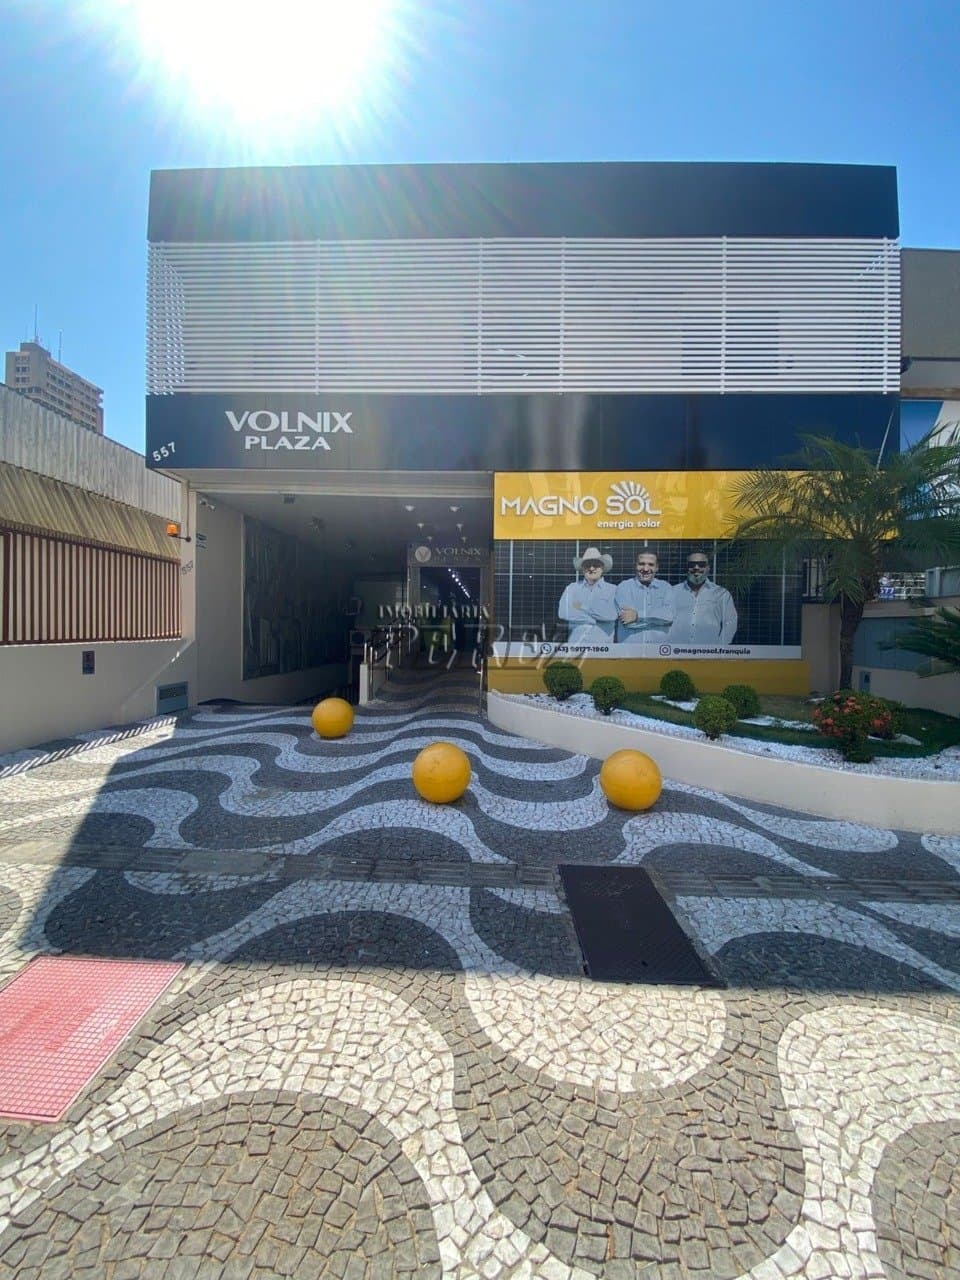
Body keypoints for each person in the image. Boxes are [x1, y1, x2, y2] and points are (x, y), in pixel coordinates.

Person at [669, 551, 738, 645]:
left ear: (708, 568)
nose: (696, 568)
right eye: (692, 564)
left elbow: (730, 623)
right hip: (677, 651)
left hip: (708, 652)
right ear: (686, 567)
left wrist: (720, 647)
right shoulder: (672, 592)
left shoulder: (721, 594)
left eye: (701, 564)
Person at [558, 547, 618, 644]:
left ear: (602, 568)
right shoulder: (572, 589)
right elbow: (563, 613)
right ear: (583, 569)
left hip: (603, 648)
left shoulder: (613, 590)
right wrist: (594, 619)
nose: (591, 568)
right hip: (576, 646)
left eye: (596, 565)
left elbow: (611, 615)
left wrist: (582, 607)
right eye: (587, 565)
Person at [614, 549, 674, 645]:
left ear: (657, 567)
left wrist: (637, 616)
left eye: (651, 564)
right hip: (629, 649)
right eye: (641, 564)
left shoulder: (666, 587)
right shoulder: (624, 587)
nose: (646, 569)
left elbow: (669, 617)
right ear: (635, 565)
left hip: (658, 650)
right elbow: (628, 622)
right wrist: (657, 620)